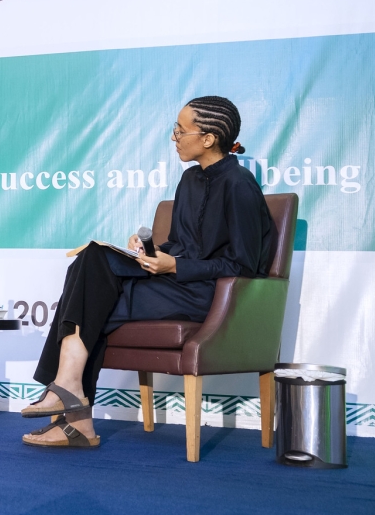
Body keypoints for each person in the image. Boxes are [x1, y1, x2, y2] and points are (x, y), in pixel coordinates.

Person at [21, 96, 275, 448]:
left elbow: (243, 266)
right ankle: (70, 395)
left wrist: (177, 265)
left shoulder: (240, 184)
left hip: (209, 295)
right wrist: (150, 251)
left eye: (180, 130)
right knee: (92, 258)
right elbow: (181, 245)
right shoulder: (189, 180)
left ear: (208, 138)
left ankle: (73, 407)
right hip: (175, 283)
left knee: (91, 296)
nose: (174, 137)